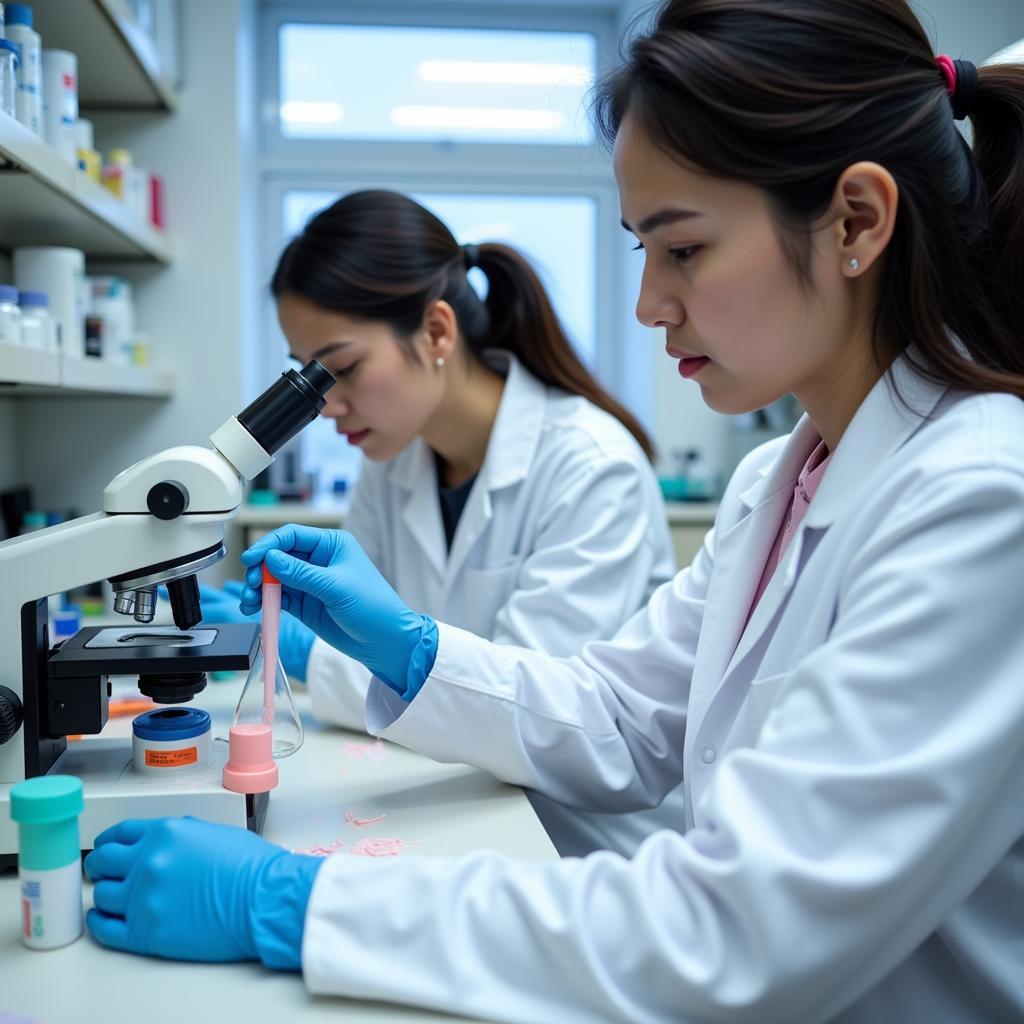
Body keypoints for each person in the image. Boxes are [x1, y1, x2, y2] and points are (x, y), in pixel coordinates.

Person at [85, 1, 1024, 1021]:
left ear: (856, 220)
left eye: (685, 249)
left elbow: (734, 933)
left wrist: (293, 901)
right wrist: (408, 650)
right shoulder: (777, 486)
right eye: (641, 252)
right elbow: (620, 718)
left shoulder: (980, 505)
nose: (648, 305)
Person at [198, 189, 678, 857]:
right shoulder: (392, 466)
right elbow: (390, 663)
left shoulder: (592, 468)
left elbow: (529, 711)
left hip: (578, 844)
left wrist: (306, 654)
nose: (326, 406)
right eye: (306, 379)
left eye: (341, 369)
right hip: (454, 802)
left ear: (436, 331)